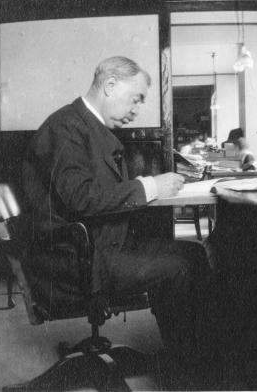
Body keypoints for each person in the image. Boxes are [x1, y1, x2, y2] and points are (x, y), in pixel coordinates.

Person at [22, 56, 213, 386]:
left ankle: (185, 353)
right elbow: (82, 198)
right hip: (73, 261)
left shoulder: (82, 124)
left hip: (91, 248)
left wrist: (148, 187)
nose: (138, 109)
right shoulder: (67, 128)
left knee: (193, 253)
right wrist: (149, 186)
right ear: (110, 85)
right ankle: (188, 368)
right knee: (180, 266)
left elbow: (93, 194)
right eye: (136, 97)